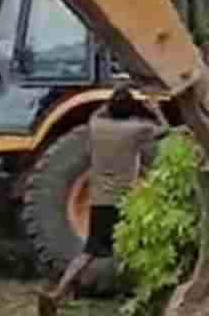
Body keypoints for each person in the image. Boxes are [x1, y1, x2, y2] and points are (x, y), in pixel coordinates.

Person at [39, 84, 168, 316]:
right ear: (131, 110)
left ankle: (57, 293)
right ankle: (148, 296)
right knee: (142, 247)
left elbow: (96, 112)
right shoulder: (136, 130)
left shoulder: (96, 126)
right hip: (125, 203)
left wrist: (110, 100)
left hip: (99, 201)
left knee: (89, 252)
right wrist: (154, 108)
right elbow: (165, 129)